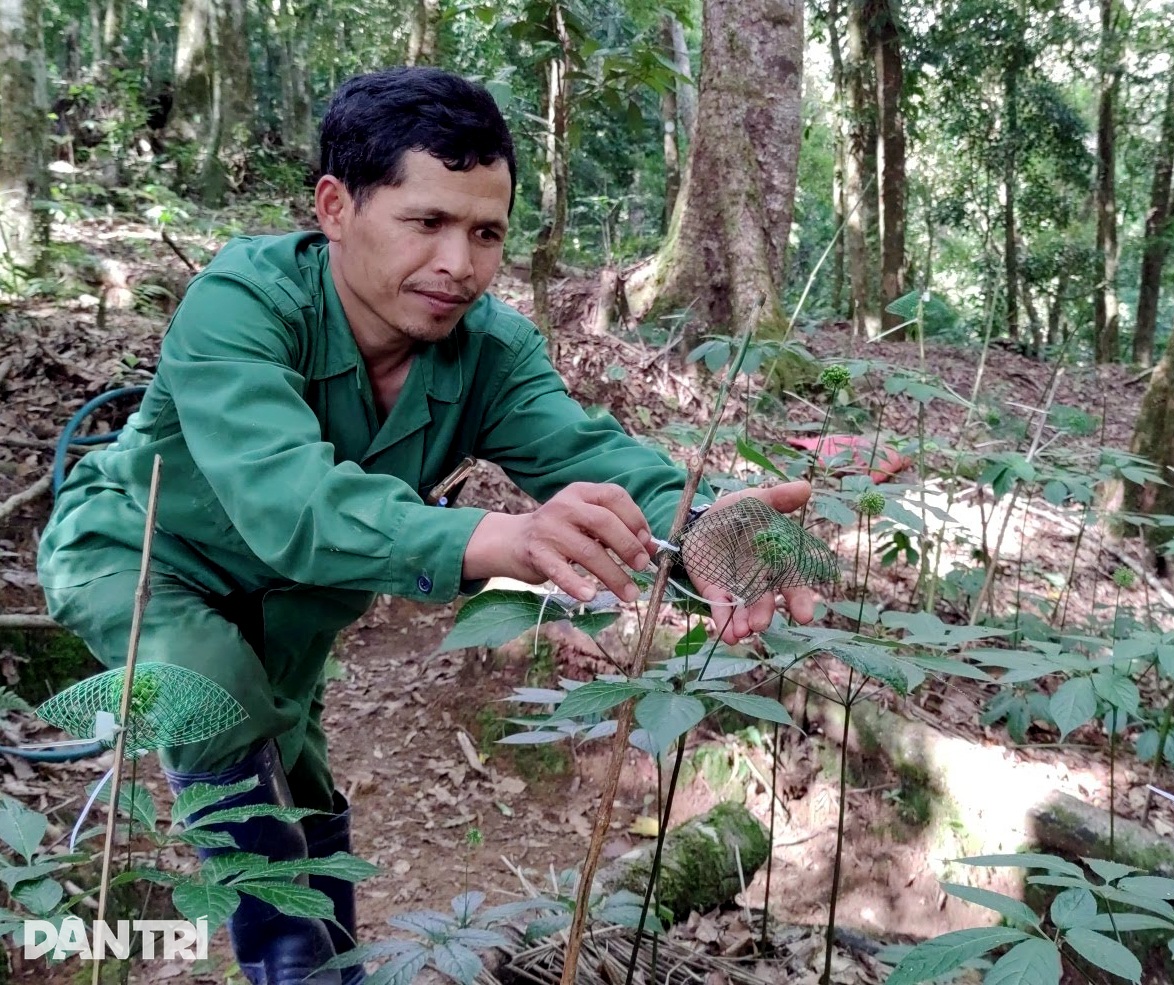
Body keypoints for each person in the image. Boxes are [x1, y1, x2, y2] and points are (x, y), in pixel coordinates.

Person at [37, 66, 814, 985]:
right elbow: (288, 499)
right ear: (335, 207)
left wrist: (714, 527)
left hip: (295, 611)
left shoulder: (489, 350)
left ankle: (337, 970)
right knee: (215, 700)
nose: (460, 264)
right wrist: (500, 539)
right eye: (427, 222)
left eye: (486, 233)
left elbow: (592, 457)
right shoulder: (243, 301)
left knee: (303, 790)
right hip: (139, 559)